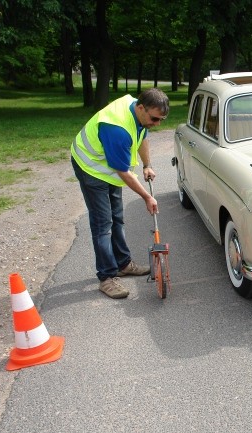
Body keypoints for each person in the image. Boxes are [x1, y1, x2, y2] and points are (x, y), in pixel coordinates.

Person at [71, 88, 169, 299]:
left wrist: (147, 164)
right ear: (141, 108)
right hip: (91, 168)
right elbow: (123, 171)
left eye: (161, 120)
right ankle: (106, 277)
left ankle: (123, 264)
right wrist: (146, 196)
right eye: (154, 118)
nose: (157, 124)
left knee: (117, 217)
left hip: (109, 168)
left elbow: (142, 136)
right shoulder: (117, 128)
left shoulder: (139, 113)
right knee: (103, 224)